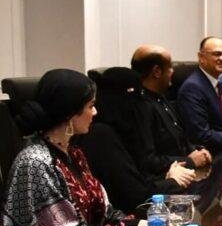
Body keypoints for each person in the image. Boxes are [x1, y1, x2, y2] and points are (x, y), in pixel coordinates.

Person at [0, 69, 147, 226]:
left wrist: (147, 225)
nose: (95, 112)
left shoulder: (73, 154)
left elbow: (105, 214)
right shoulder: (35, 162)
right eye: (91, 106)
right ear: (70, 113)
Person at [78, 67, 194, 213]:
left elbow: (139, 178)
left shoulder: (121, 129)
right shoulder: (101, 135)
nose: (141, 103)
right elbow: (135, 196)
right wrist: (173, 181)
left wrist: (167, 177)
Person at [130, 45, 211, 174]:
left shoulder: (162, 98)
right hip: (166, 179)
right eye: (170, 67)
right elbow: (148, 161)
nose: (173, 72)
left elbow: (180, 138)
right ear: (157, 72)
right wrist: (190, 161)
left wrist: (198, 150)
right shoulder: (140, 106)